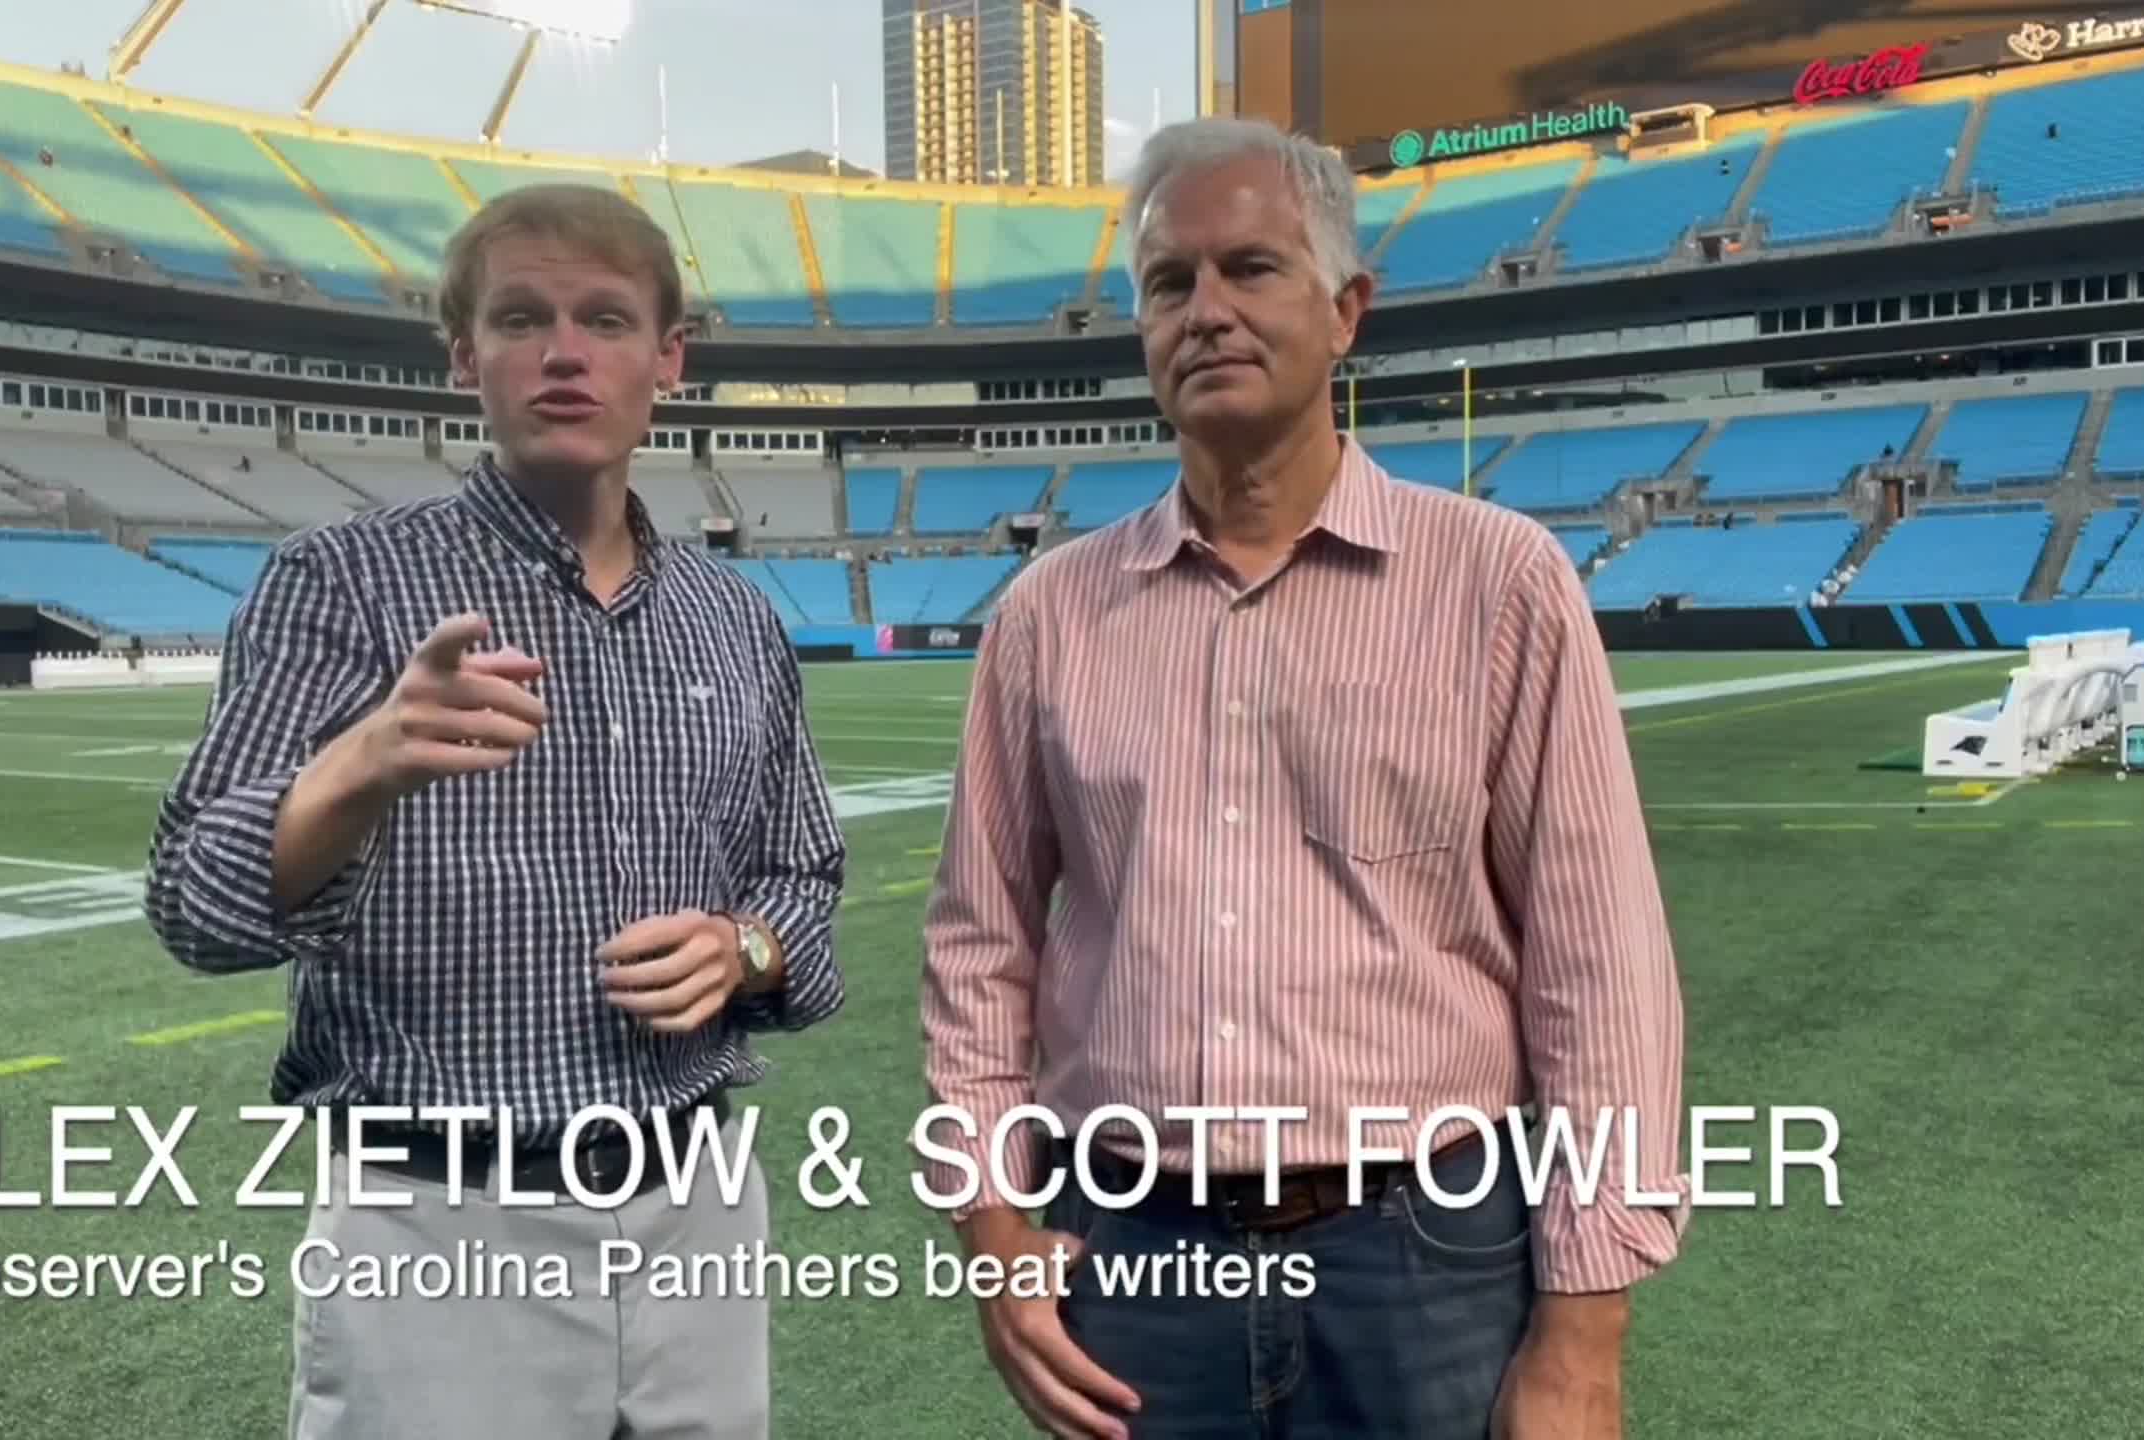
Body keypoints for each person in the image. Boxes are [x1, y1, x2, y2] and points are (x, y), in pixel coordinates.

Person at [919, 116, 1690, 1440]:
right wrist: (993, 1225)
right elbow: (981, 953)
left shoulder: (1499, 583)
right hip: (1133, 1245)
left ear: (1346, 311)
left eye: (1250, 269)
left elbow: (1600, 964)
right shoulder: (1049, 616)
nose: (1205, 311)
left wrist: (1587, 1328)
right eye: (1169, 284)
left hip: (1427, 1254)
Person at [145, 182, 846, 1440]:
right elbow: (193, 904)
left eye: (606, 319)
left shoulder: (734, 616)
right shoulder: (345, 582)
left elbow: (803, 876)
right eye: (522, 317)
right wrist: (360, 765)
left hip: (699, 1197)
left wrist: (744, 947)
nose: (565, 352)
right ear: (465, 354)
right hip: (440, 1219)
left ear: (666, 359)